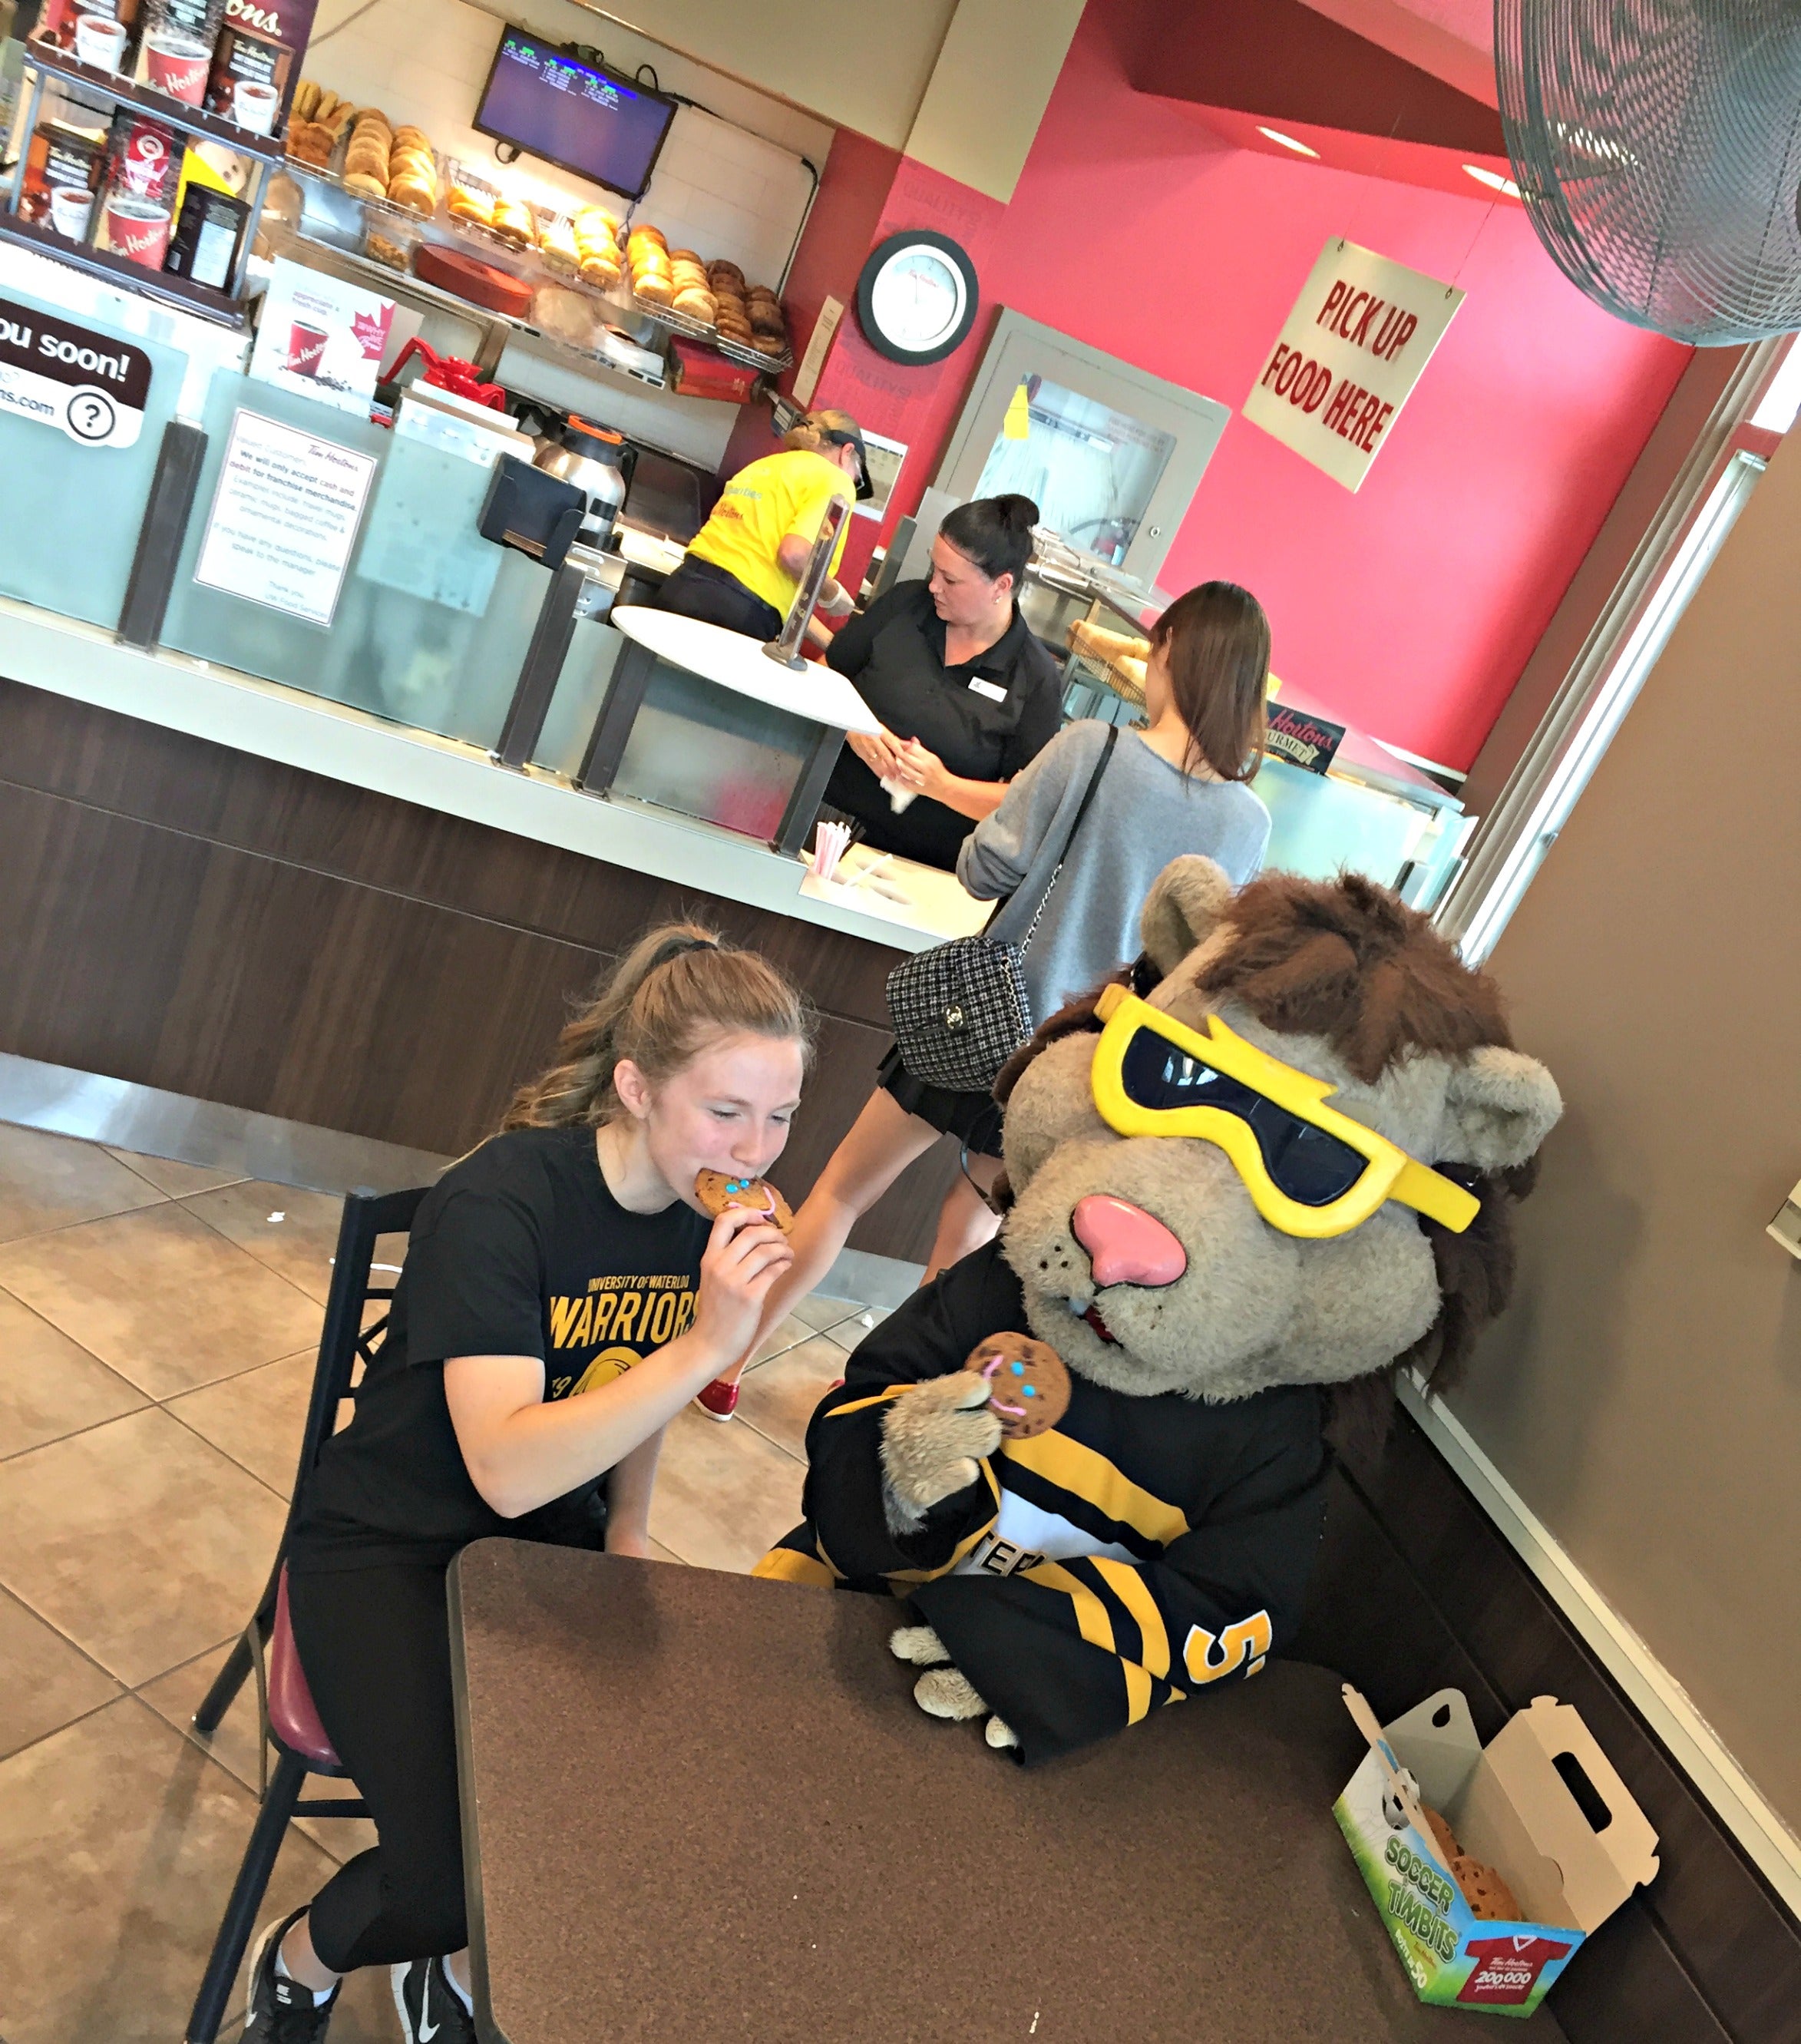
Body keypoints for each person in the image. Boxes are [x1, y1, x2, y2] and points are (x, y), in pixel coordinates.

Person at [246, 927, 811, 2043]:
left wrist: (631, 1533)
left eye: (782, 1115)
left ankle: (453, 1979)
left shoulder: (698, 1219)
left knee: (612, 1802)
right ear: (637, 1086)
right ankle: (300, 1958)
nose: (754, 1149)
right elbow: (503, 1469)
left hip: (547, 1548)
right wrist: (706, 1344)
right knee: (453, 1869)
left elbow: (626, 1392)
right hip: (391, 1543)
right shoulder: (502, 1202)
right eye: (726, 1111)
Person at [697, 580, 1275, 1423]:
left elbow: (984, 869)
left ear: (1174, 654)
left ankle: (726, 1366)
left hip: (980, 1014)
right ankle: (883, 1395)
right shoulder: (1248, 824)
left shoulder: (1094, 748)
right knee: (965, 1241)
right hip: (1076, 1064)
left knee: (843, 1192)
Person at [820, 494, 1065, 872]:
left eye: (950, 580)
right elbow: (825, 672)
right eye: (934, 570)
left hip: (920, 864)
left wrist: (941, 784)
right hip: (824, 812)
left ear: (1001, 586)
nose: (934, 586)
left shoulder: (1035, 678)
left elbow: (1027, 803)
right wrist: (855, 726)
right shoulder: (906, 604)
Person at [653, 408, 871, 640]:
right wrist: (831, 594)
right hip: (737, 616)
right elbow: (794, 556)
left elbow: (764, 584)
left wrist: (830, 643)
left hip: (682, 585)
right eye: (857, 476)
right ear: (847, 452)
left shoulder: (764, 466)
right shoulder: (837, 480)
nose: (853, 482)